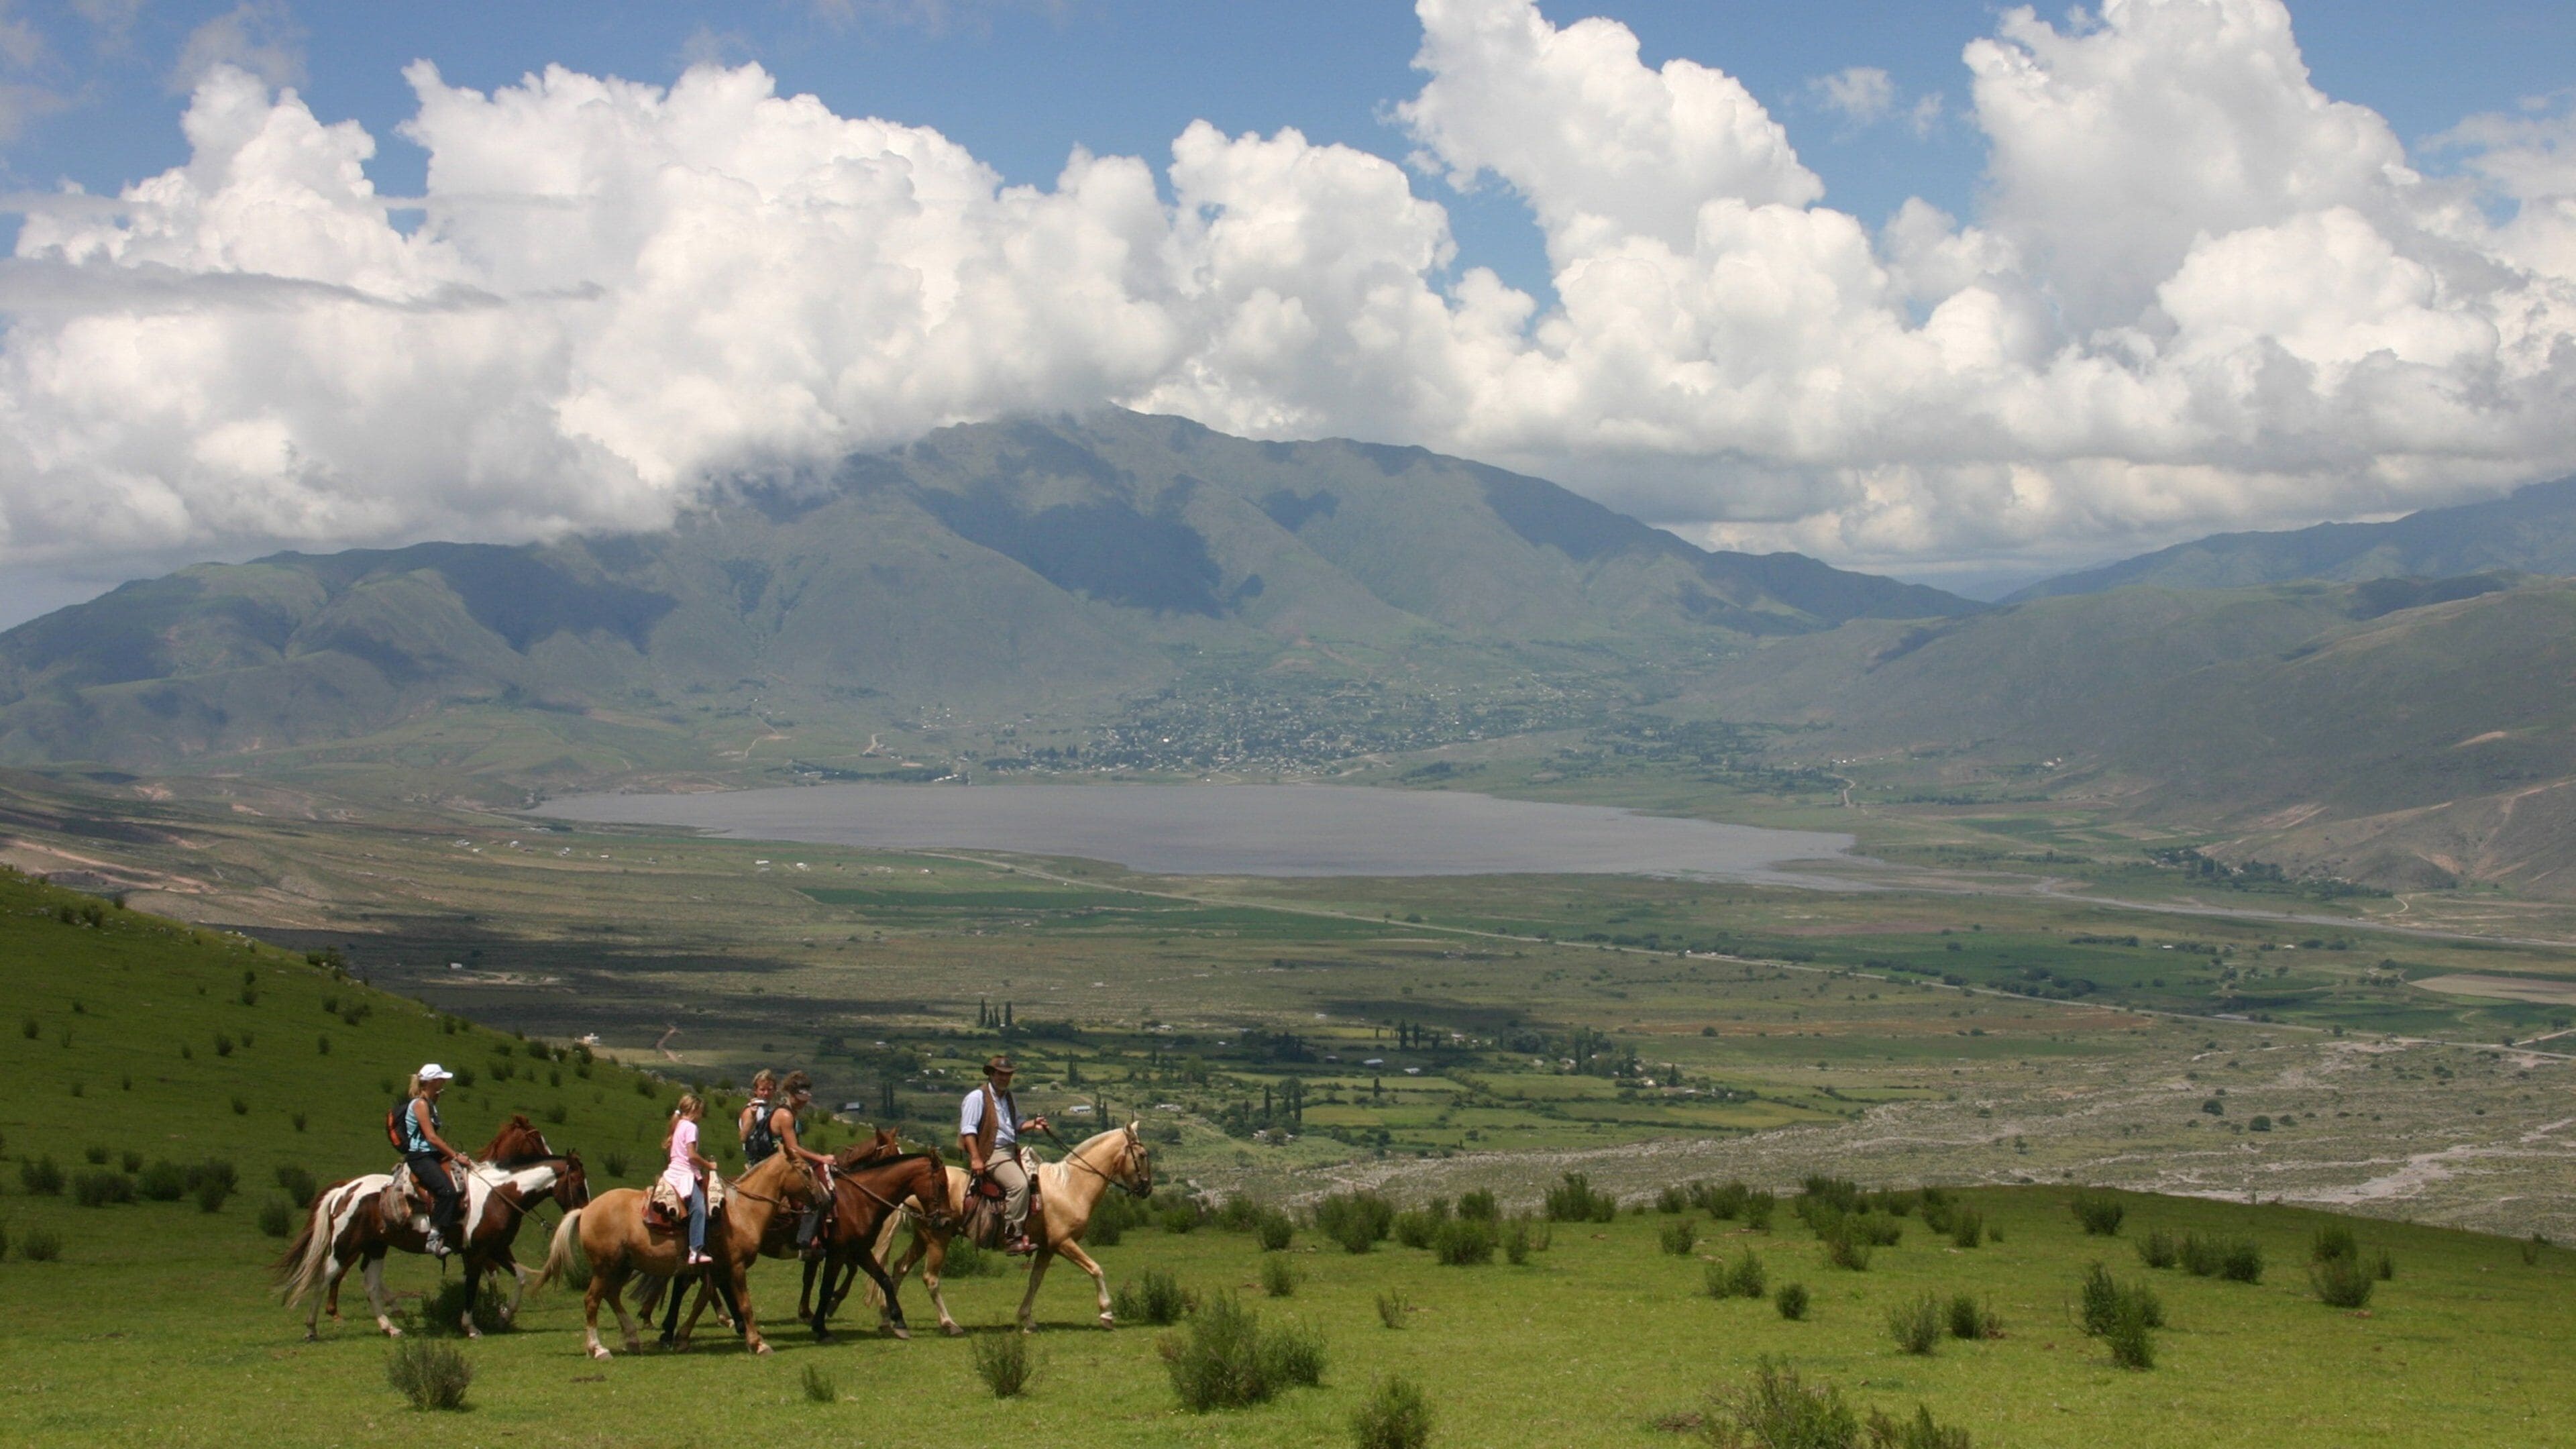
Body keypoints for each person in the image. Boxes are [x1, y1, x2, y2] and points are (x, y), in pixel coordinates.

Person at [959, 1054, 1046, 1255]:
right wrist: (976, 1158)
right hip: (992, 1152)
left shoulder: (1009, 1097)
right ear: (991, 1074)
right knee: (1019, 1185)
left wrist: (1034, 1124)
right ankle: (1012, 1236)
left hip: (1011, 1149)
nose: (1005, 1078)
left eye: (1008, 1075)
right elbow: (968, 1131)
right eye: (1000, 1074)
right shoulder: (977, 1097)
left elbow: (1017, 1125)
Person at [756, 1071, 835, 1255]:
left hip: (785, 1160)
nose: (804, 1102)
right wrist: (821, 1158)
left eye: (805, 1098)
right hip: (780, 1163)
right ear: (791, 1094)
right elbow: (793, 1148)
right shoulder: (785, 1115)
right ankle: (805, 1242)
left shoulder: (787, 1111)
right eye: (800, 1098)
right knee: (816, 1195)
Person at [398, 1063, 466, 1258]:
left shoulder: (429, 1103)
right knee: (447, 1192)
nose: (444, 1081)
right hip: (421, 1156)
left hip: (432, 1154)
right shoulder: (420, 1104)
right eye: (441, 1078)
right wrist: (456, 1156)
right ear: (433, 1081)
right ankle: (434, 1237)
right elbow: (431, 1137)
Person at [663, 1094, 716, 1267]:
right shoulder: (691, 1127)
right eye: (701, 1111)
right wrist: (710, 1165)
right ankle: (695, 1250)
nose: (702, 1115)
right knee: (699, 1207)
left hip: (673, 1171)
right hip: (684, 1174)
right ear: (695, 1110)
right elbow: (692, 1155)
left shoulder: (678, 1125)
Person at [739, 1069, 779, 1166]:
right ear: (755, 1091)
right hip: (758, 1161)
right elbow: (743, 1137)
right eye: (762, 1090)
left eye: (769, 1090)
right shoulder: (751, 1110)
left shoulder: (772, 1109)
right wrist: (753, 1116)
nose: (766, 1093)